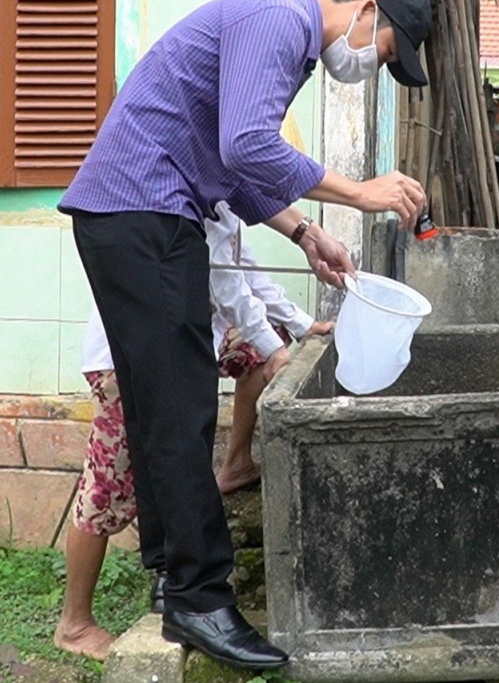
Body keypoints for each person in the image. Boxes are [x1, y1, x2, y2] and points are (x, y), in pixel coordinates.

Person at [59, 0, 430, 669]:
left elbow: (234, 169)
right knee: (181, 407)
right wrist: (358, 193)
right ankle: (201, 598)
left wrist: (303, 233)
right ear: (368, 11)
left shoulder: (275, 33)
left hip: (130, 215)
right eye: (384, 52)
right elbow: (248, 147)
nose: (372, 66)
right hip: (143, 213)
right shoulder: (277, 21)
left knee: (158, 406)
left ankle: (174, 580)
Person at [54, 200, 333, 661]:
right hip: (125, 362)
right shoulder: (187, 199)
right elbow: (227, 285)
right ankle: (75, 623)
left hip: (185, 339)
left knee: (262, 353)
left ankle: (237, 463)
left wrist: (300, 326)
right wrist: (273, 337)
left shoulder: (215, 196)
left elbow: (243, 268)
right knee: (107, 488)